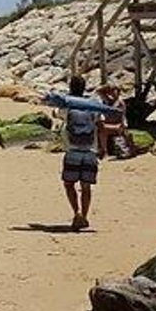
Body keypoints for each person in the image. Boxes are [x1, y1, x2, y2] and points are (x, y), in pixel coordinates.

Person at [60, 74, 102, 231]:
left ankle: (76, 212)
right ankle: (84, 215)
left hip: (72, 151)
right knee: (86, 186)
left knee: (69, 184)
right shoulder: (92, 105)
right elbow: (101, 125)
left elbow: (56, 113)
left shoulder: (68, 105)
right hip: (90, 150)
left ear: (71, 87)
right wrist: (103, 147)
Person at [95, 83, 129, 159]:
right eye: (112, 91)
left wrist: (122, 125)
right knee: (100, 126)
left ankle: (104, 151)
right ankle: (103, 151)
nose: (113, 92)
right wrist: (108, 87)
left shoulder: (120, 102)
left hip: (118, 125)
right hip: (109, 125)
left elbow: (123, 117)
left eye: (114, 90)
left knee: (102, 128)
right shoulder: (109, 101)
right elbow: (98, 91)